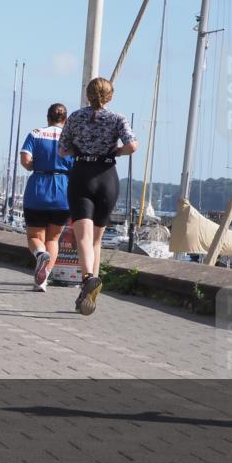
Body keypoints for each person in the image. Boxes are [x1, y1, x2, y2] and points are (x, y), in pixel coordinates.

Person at [58, 78, 138, 316]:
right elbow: (133, 146)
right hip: (107, 177)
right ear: (110, 96)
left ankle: (88, 278)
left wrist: (78, 149)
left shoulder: (75, 117)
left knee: (82, 236)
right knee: (96, 240)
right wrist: (118, 151)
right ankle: (90, 291)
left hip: (82, 175)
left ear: (87, 94)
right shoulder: (117, 119)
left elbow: (63, 151)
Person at [19, 103, 73, 292]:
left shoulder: (35, 133)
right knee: (54, 238)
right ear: (65, 120)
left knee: (35, 236)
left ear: (48, 117)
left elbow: (25, 160)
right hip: (63, 191)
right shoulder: (70, 138)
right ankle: (42, 281)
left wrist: (38, 165)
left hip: (38, 188)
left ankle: (40, 254)